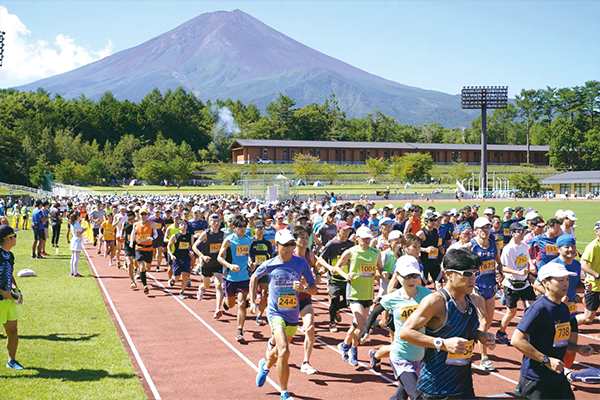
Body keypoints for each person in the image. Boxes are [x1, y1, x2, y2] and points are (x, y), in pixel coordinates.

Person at [400, 248, 495, 399]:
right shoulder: (437, 301)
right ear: (449, 274)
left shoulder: (474, 299)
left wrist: (480, 335)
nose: (472, 279)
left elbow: (462, 331)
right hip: (435, 388)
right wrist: (442, 343)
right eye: (467, 274)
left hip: (463, 385)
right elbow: (405, 332)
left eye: (475, 273)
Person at [511, 263, 595, 399]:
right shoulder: (538, 309)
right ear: (546, 283)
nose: (565, 284)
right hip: (536, 379)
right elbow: (516, 340)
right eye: (560, 280)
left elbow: (559, 340)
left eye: (567, 279)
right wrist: (546, 360)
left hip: (557, 376)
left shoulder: (563, 308)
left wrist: (577, 347)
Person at [251, 229, 317, 400]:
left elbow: (314, 288)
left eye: (291, 244)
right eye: (286, 245)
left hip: (292, 314)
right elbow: (254, 278)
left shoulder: (301, 263)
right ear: (276, 246)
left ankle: (265, 366)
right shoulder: (270, 264)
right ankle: (284, 393)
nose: (289, 248)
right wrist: (252, 301)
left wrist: (302, 288)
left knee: (279, 353)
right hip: (275, 313)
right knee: (285, 350)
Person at [333, 226, 389, 367]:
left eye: (368, 239)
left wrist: (383, 273)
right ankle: (353, 349)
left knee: (357, 324)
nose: (366, 241)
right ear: (357, 238)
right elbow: (336, 268)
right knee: (362, 323)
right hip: (354, 292)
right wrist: (346, 275)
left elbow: (380, 268)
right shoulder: (351, 252)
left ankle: (345, 344)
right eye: (363, 239)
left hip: (368, 293)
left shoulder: (376, 253)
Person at [378, 255, 432, 400]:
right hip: (400, 356)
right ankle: (375, 356)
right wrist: (365, 330)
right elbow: (378, 309)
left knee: (400, 396)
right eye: (407, 276)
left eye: (415, 276)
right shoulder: (393, 297)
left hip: (419, 355)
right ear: (398, 276)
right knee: (418, 396)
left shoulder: (426, 294)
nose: (412, 280)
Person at [496, 222, 536, 345]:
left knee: (531, 308)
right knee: (511, 312)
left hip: (524, 283)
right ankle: (501, 332)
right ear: (512, 233)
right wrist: (517, 272)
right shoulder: (508, 249)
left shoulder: (524, 246)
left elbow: (526, 257)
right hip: (511, 284)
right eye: (519, 231)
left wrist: (532, 265)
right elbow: (502, 267)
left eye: (523, 231)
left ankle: (527, 333)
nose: (522, 233)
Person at [470, 217, 501, 371]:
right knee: (483, 322)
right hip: (476, 286)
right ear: (476, 230)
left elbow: (498, 262)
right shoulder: (471, 245)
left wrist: (500, 272)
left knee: (488, 322)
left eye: (487, 228)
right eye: (482, 228)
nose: (485, 231)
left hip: (491, 285)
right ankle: (484, 358)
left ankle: (470, 336)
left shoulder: (494, 245)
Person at [217, 215, 252, 342]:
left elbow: (249, 256)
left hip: (244, 277)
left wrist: (251, 263)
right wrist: (229, 265)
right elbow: (219, 257)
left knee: (242, 304)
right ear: (235, 227)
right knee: (231, 304)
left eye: (244, 226)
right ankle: (226, 304)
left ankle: (239, 330)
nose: (242, 229)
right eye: (240, 226)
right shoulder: (229, 240)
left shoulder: (249, 240)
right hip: (230, 277)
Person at [316, 220, 354, 333]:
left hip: (347, 278)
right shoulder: (332, 244)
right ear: (338, 231)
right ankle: (332, 322)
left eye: (348, 231)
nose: (347, 233)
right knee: (334, 299)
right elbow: (320, 258)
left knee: (348, 302)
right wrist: (329, 267)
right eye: (345, 230)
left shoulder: (351, 244)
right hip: (334, 279)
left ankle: (337, 309)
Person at [0, 225, 24, 370]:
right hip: (2, 298)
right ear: (6, 239)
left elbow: (10, 274)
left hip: (8, 300)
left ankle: (12, 361)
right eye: (13, 236)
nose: (15, 239)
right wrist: (3, 292)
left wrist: (16, 290)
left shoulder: (10, 255)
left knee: (13, 332)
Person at [193, 214, 225, 317]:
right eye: (214, 221)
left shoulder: (222, 234)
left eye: (218, 221)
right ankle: (201, 289)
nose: (216, 223)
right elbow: (194, 247)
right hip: (206, 264)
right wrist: (202, 256)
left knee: (219, 285)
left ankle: (217, 309)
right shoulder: (205, 234)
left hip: (217, 264)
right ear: (209, 222)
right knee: (206, 285)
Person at [248, 219, 273, 326]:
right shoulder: (251, 241)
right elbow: (247, 255)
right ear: (254, 229)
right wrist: (250, 263)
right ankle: (248, 302)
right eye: (258, 228)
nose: (260, 230)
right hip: (253, 271)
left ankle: (259, 315)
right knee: (251, 294)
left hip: (264, 271)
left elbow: (271, 256)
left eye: (262, 228)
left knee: (264, 294)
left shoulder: (267, 243)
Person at [577, 220, 600, 326]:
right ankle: (569, 325)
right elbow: (583, 264)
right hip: (594, 285)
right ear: (596, 231)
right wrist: (597, 275)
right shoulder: (593, 246)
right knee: (588, 318)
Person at [129, 208, 156, 295]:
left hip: (149, 248)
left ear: (147, 215)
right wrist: (131, 243)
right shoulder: (136, 224)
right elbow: (133, 233)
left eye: (145, 214)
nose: (143, 216)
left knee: (148, 267)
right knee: (142, 265)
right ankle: (145, 286)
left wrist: (151, 238)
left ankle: (142, 274)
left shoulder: (151, 224)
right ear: (139, 215)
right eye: (142, 214)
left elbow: (156, 234)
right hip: (139, 248)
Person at [166, 220, 192, 299]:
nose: (183, 226)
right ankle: (172, 280)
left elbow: (192, 246)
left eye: (185, 224)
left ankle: (182, 292)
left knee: (185, 276)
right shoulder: (175, 236)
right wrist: (171, 255)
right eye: (182, 224)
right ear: (178, 226)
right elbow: (168, 246)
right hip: (177, 258)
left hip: (186, 257)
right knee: (176, 277)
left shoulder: (190, 236)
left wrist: (191, 251)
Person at [69, 211, 86, 277]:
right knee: (76, 258)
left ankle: (72, 272)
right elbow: (78, 233)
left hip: (73, 239)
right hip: (77, 240)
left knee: (73, 257)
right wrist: (84, 230)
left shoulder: (72, 223)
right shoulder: (77, 224)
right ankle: (75, 273)